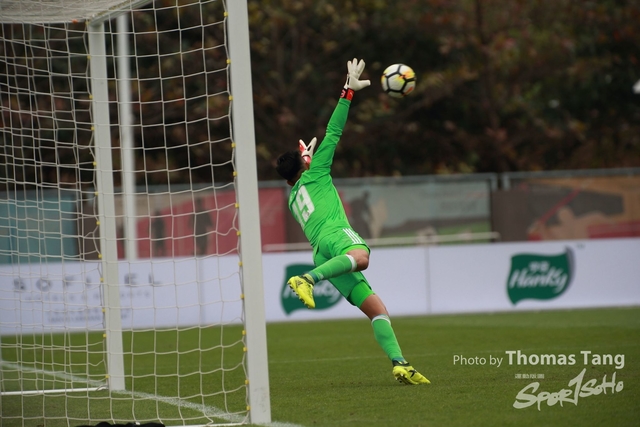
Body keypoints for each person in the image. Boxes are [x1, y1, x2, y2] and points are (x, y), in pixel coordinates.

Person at [275, 58, 429, 385]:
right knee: (362, 257)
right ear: (305, 166)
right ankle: (307, 280)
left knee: (376, 309)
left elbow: (300, 177)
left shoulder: (292, 196)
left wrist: (305, 160)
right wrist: (348, 91)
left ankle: (400, 364)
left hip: (321, 251)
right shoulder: (316, 172)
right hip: (335, 237)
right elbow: (334, 131)